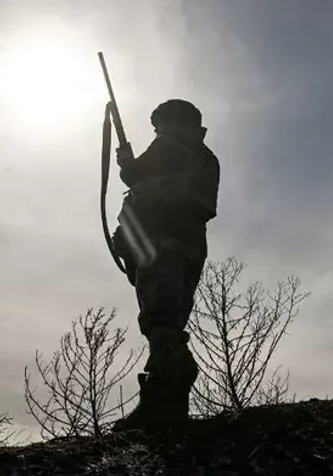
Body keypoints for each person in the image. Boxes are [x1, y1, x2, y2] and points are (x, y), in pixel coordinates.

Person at [111, 99, 220, 431]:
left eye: (161, 126)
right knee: (167, 320)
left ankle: (161, 405)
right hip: (182, 245)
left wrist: (129, 167)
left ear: (177, 123)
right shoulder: (199, 155)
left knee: (161, 321)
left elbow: (139, 178)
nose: (158, 132)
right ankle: (168, 407)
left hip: (165, 244)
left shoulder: (176, 148)